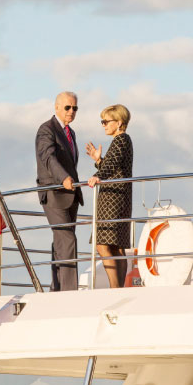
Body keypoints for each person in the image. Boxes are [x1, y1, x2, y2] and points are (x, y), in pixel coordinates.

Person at [35, 91, 84, 291]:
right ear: (56, 107)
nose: (71, 111)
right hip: (54, 193)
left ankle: (56, 289)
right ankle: (69, 292)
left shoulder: (70, 133)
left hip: (71, 195)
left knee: (61, 242)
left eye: (75, 108)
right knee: (67, 238)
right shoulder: (46, 130)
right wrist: (63, 177)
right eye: (67, 107)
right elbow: (48, 158)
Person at [85, 104, 133, 289]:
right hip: (119, 197)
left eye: (106, 121)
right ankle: (117, 288)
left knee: (103, 244)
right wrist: (99, 161)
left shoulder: (121, 140)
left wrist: (99, 175)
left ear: (119, 122)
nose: (103, 124)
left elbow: (112, 166)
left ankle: (115, 289)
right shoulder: (123, 141)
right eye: (102, 121)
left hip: (112, 199)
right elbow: (115, 166)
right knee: (115, 246)